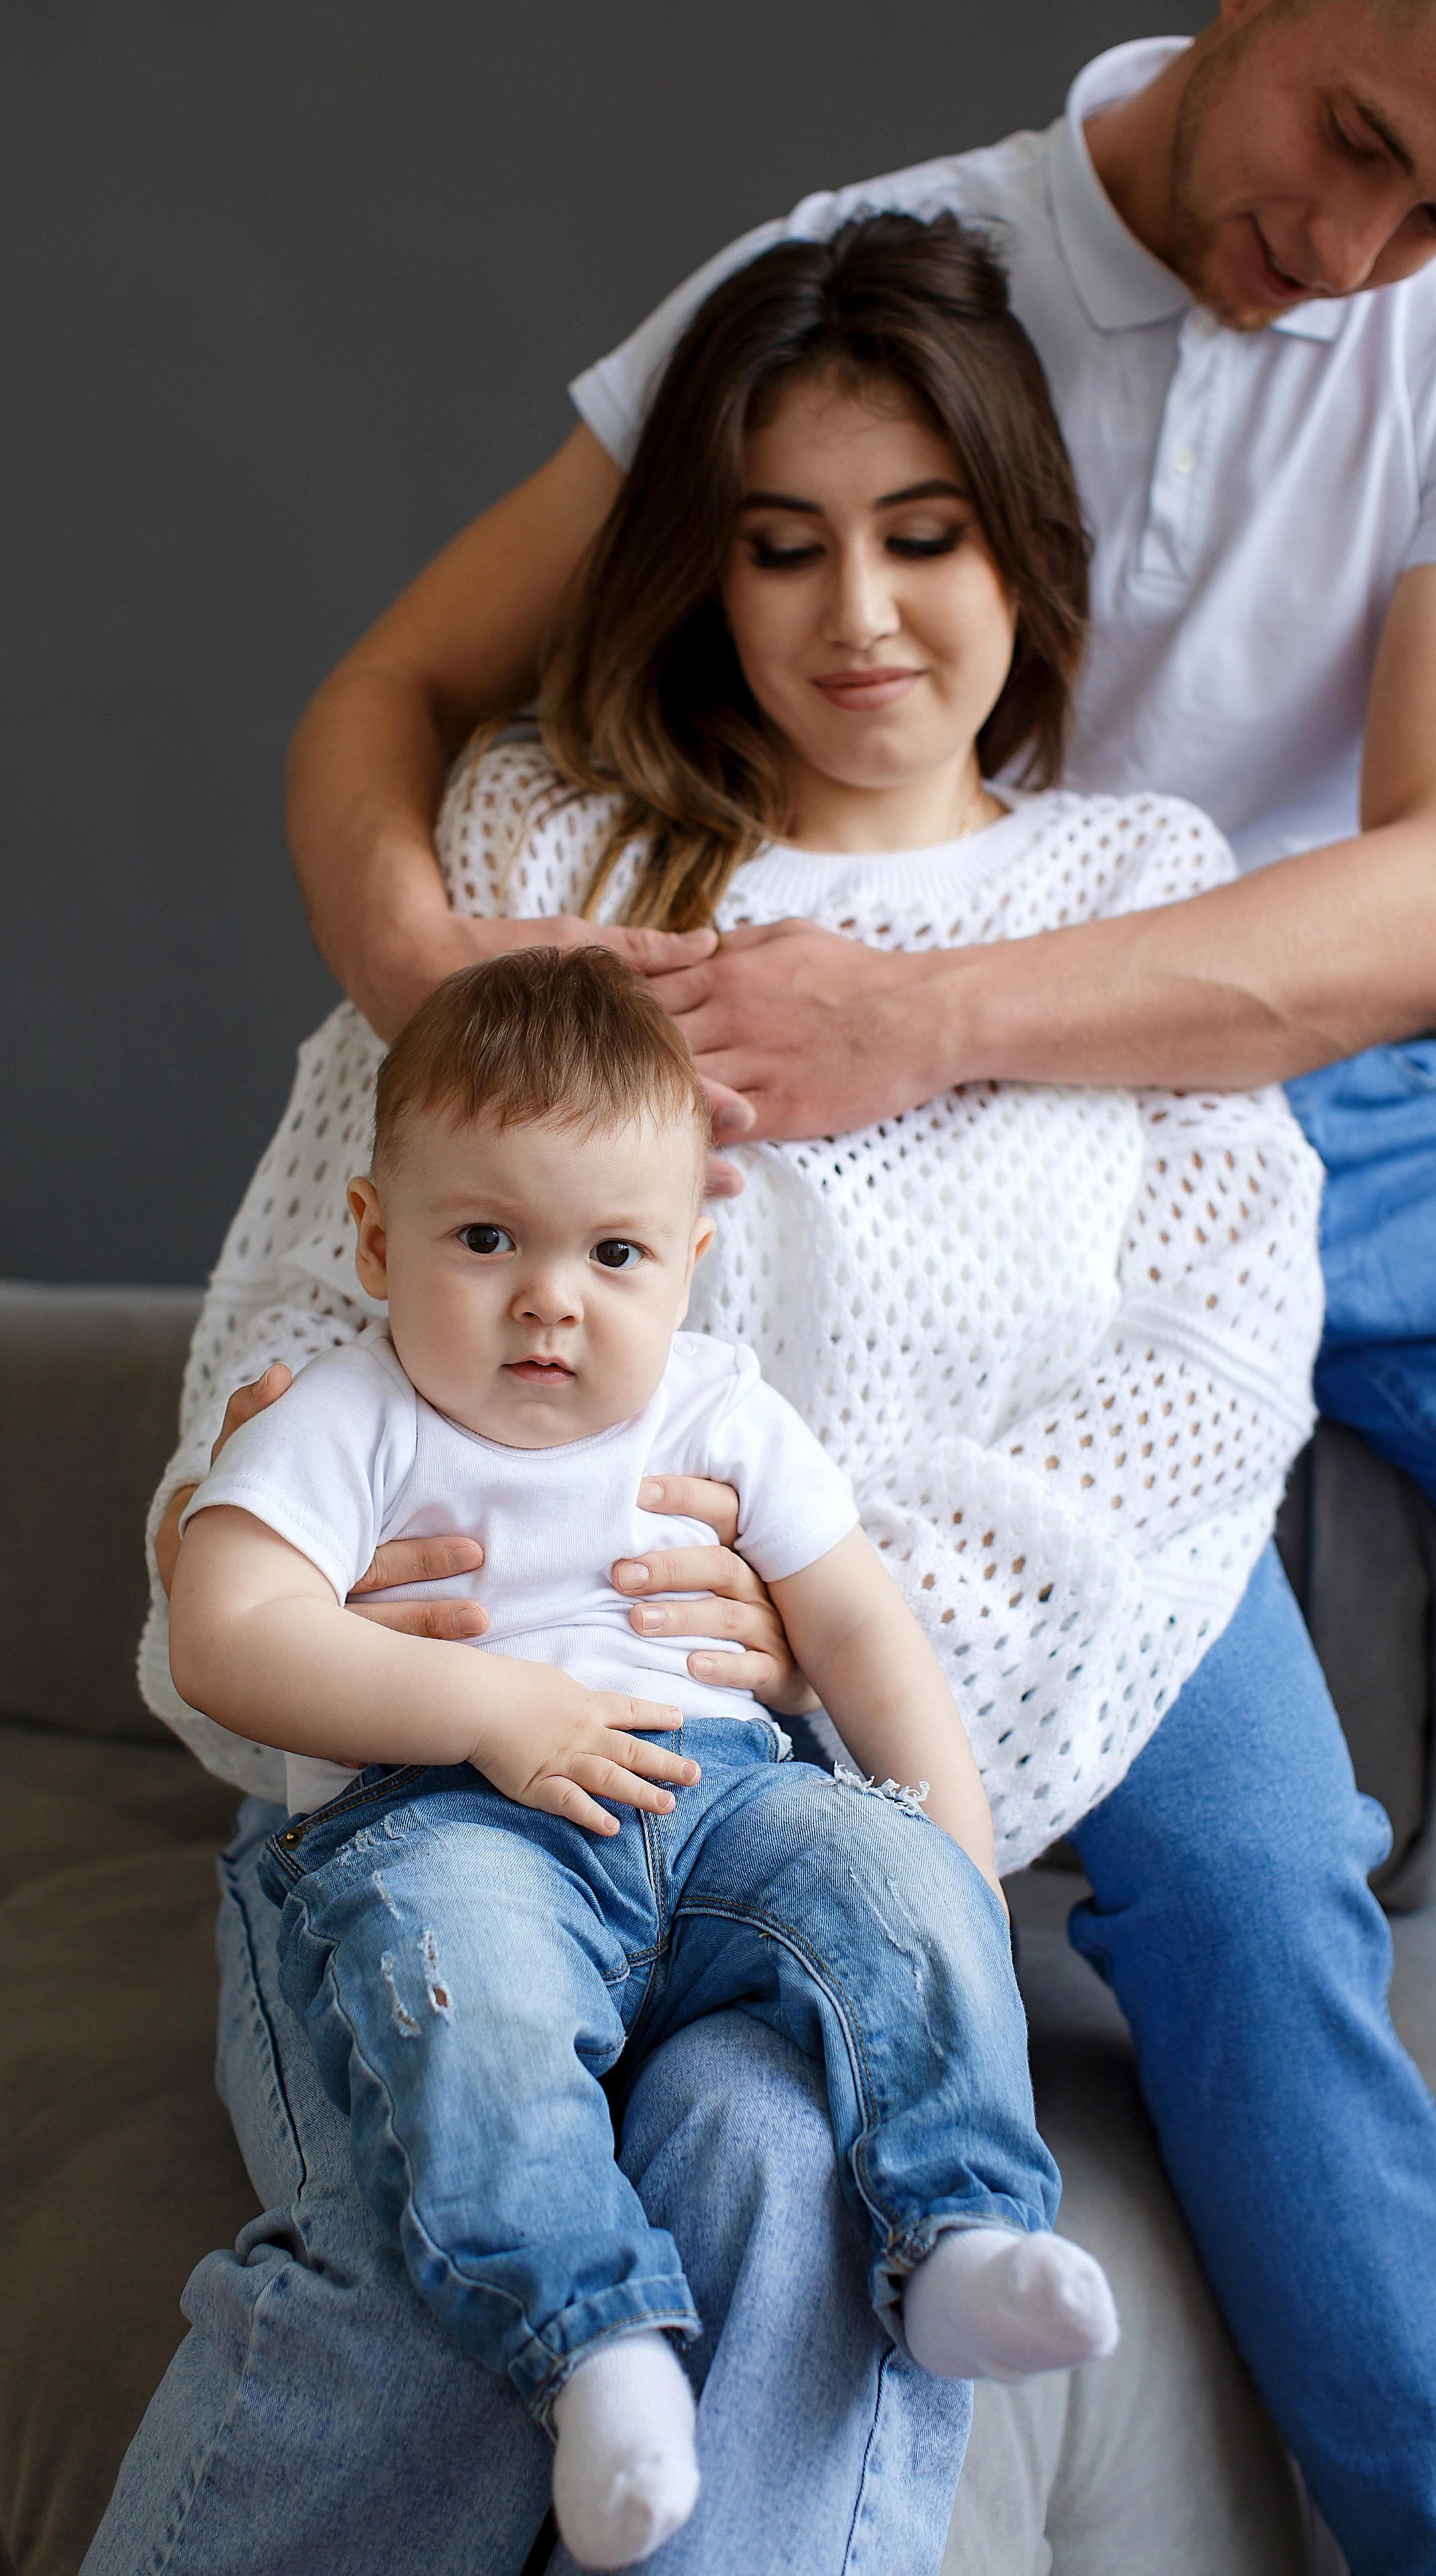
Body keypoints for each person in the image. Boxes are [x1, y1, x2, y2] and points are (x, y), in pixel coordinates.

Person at [81, 209, 1436, 2576]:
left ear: (1026, 548)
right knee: (612, 2122)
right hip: (557, 1673)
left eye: (925, 539)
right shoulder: (547, 844)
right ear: (702, 571)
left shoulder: (1133, 872)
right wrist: (375, 1577)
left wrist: (840, 1621)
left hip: (856, 1643)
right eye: (782, 548)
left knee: (1181, 1930)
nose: (860, 616)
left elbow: (1219, 1346)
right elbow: (329, 1263)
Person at [282, 0, 1436, 1512]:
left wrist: (922, 1014)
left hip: (1297, 1070)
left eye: (1428, 214)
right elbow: (399, 679)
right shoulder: (872, 273)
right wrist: (413, 972)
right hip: (852, 1052)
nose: (1347, 255)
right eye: (1352, 137)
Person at [166, 945, 1118, 2573]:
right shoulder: (344, 1413)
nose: (550, 1297)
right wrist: (483, 1712)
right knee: (473, 2006)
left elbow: (863, 1635)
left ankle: (957, 2223)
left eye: (612, 1250)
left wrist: (946, 1868)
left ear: (689, 1254)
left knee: (890, 1882)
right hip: (446, 1817)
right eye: (486, 1240)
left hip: (712, 1800)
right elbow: (227, 1630)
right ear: (376, 1240)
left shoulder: (719, 1411)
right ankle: (591, 2341)